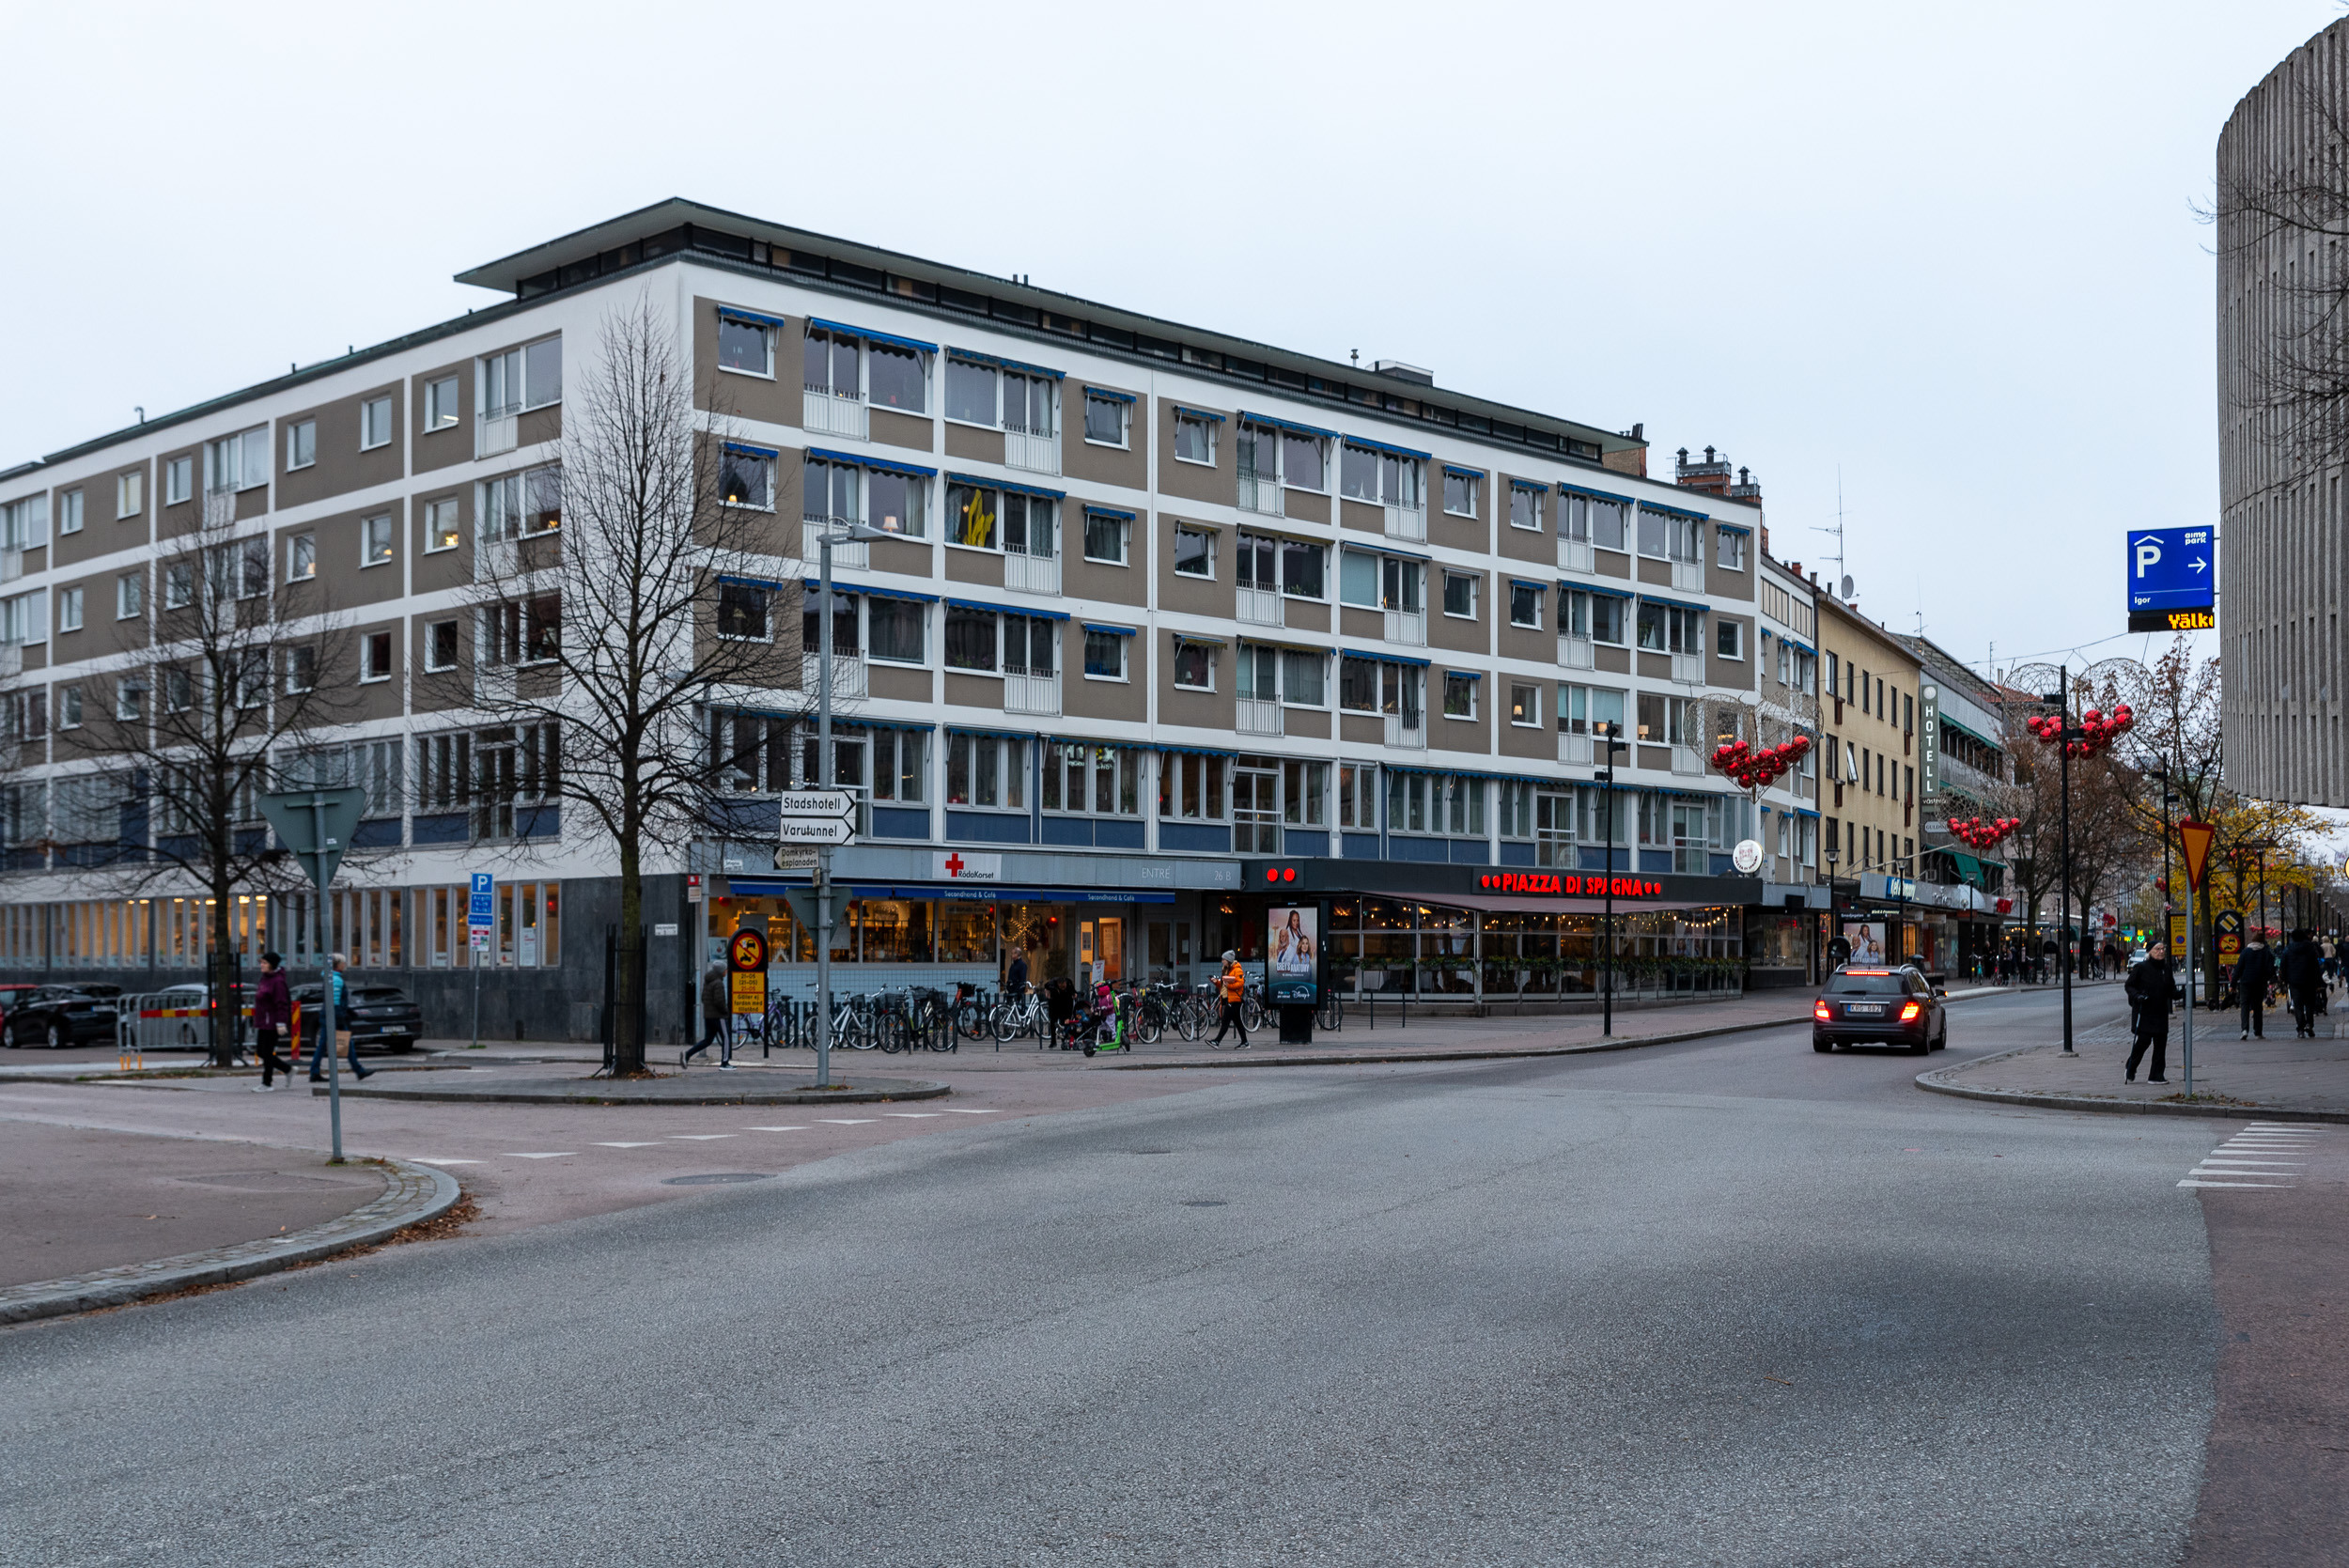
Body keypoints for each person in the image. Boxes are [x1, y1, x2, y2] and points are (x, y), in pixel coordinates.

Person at [308, 952, 371, 1081]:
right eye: (343, 962)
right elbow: (334, 1000)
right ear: (337, 965)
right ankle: (359, 1071)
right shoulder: (336, 980)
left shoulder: (330, 977)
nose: (345, 964)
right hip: (335, 1016)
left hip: (329, 1015)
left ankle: (315, 1072)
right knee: (343, 1043)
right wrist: (340, 1016)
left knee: (325, 1044)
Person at [2124, 939, 2180, 1083]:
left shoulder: (2166, 969)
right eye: (2157, 949)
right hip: (2145, 1011)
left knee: (2161, 1044)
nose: (2161, 952)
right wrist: (2137, 996)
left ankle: (2156, 1075)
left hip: (2160, 1011)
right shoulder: (2141, 968)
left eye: (2163, 949)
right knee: (2144, 1041)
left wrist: (2181, 994)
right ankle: (2131, 1066)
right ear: (2150, 952)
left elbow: (2171, 990)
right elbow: (2129, 985)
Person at [250, 951, 293, 1092]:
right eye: (261, 962)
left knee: (267, 1052)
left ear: (272, 965)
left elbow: (282, 1003)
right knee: (261, 1052)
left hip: (273, 1022)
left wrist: (281, 1022)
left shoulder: (278, 982)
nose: (261, 965)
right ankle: (287, 1069)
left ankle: (267, 1083)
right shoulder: (265, 979)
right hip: (263, 1021)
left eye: (264, 963)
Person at [2279, 927, 2326, 1038]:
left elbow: (2283, 965)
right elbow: (2315, 966)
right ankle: (2309, 1024)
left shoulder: (2288, 949)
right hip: (2309, 980)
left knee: (2298, 1005)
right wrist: (2318, 981)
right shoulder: (2310, 948)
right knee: (2309, 1004)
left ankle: (2300, 1028)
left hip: (2294, 981)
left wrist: (2285, 979)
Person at [683, 960, 731, 1066]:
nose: (726, 971)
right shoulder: (718, 983)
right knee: (726, 1038)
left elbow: (703, 998)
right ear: (721, 971)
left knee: (708, 1040)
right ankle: (725, 1063)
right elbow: (719, 1001)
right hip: (719, 1016)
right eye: (725, 970)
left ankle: (688, 1054)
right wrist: (726, 1011)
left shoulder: (708, 982)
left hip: (708, 1016)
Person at [2233, 933, 2276, 1040]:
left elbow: (2238, 968)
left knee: (2245, 1005)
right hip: (2259, 982)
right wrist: (2266, 978)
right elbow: (2270, 969)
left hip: (2246, 982)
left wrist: (2233, 983)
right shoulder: (2265, 952)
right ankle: (2258, 1032)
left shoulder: (2245, 952)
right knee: (2257, 1007)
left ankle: (2244, 1029)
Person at [1210, 950, 1250, 1048]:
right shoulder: (1226, 970)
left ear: (1228, 960)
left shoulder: (1237, 970)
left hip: (1234, 999)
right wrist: (1216, 982)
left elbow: (1240, 983)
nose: (1222, 961)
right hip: (1229, 998)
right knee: (1237, 1022)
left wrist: (1229, 986)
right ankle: (1245, 1042)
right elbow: (1223, 985)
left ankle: (1217, 1041)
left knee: (1225, 1020)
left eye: (1223, 959)